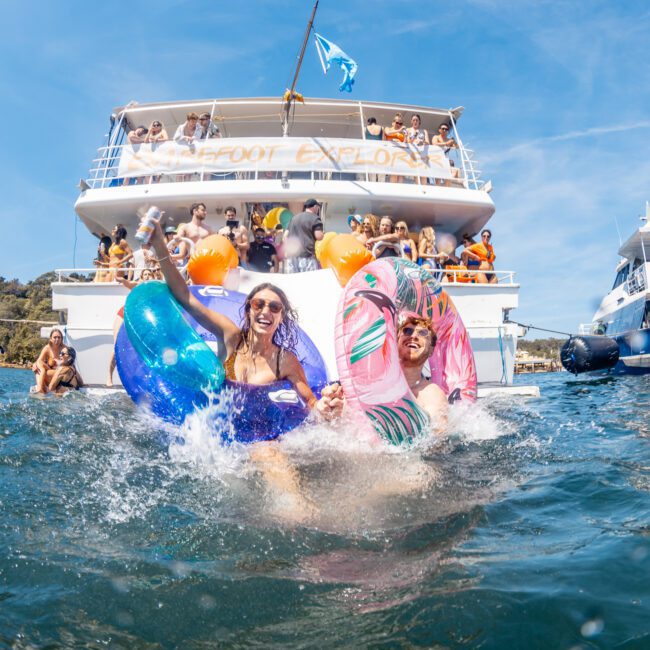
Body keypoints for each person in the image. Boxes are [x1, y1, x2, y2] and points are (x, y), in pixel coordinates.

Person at [284, 198, 324, 273]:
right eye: (318, 207)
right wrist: (322, 234)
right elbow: (319, 236)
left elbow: (285, 236)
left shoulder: (294, 218)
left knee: (293, 282)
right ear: (315, 207)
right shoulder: (315, 219)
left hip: (292, 257)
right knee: (308, 282)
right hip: (307, 257)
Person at [32, 329, 64, 393]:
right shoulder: (47, 348)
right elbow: (39, 360)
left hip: (59, 375)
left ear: (61, 339)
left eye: (59, 337)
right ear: (51, 339)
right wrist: (34, 365)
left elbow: (69, 365)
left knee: (40, 371)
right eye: (55, 337)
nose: (57, 339)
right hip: (49, 372)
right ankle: (41, 389)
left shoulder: (64, 349)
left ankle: (40, 389)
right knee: (39, 366)